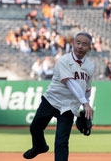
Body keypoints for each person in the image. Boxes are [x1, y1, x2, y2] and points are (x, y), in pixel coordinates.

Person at [23, 32, 94, 161]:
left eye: (84, 44)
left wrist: (86, 105)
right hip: (51, 100)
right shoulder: (64, 60)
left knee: (61, 141)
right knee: (35, 128)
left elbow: (87, 88)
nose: (80, 46)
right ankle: (40, 146)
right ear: (73, 44)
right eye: (78, 43)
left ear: (90, 47)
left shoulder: (90, 66)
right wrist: (85, 103)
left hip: (69, 107)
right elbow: (70, 83)